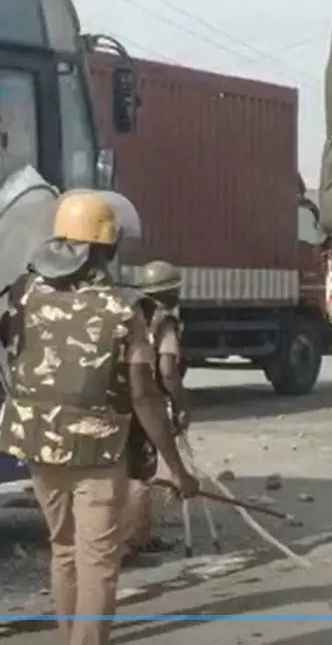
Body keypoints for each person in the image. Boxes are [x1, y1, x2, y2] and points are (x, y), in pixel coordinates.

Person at [0, 192, 198, 645]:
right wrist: (178, 467)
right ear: (105, 248)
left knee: (64, 549)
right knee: (98, 559)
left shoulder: (22, 293)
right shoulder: (124, 309)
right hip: (97, 449)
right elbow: (145, 397)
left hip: (36, 442)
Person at [121, 260, 192, 557]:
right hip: (146, 400)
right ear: (173, 291)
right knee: (141, 471)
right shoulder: (165, 321)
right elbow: (167, 370)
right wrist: (181, 404)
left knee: (122, 468)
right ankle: (133, 540)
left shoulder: (131, 313)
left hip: (120, 399)